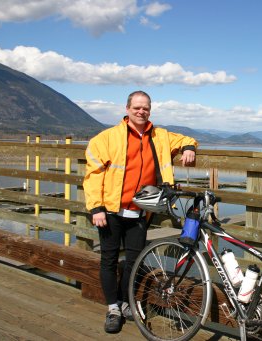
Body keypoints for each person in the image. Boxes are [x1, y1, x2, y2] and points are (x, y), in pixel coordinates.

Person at [83, 90, 197, 333]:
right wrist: (96, 208)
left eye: (145, 107)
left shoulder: (160, 135)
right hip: (111, 211)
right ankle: (113, 308)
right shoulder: (106, 138)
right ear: (127, 109)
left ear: (150, 110)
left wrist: (189, 148)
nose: (141, 111)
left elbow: (186, 139)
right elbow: (93, 176)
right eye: (136, 107)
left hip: (140, 213)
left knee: (134, 261)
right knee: (109, 259)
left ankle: (126, 304)